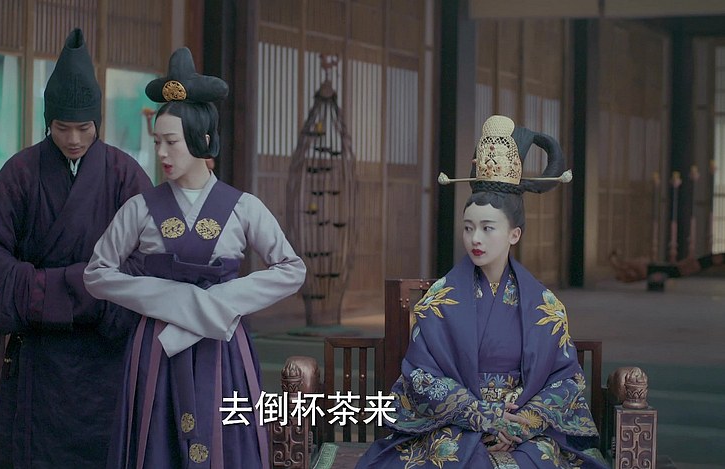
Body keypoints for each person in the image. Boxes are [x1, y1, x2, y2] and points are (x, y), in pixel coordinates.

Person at [83, 47, 306, 469]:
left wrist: (220, 301)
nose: (162, 153)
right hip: (156, 347)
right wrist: (169, 298)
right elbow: (97, 274)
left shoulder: (243, 207)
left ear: (202, 140)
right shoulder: (139, 208)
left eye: (172, 142)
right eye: (157, 142)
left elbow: (292, 269)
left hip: (222, 348)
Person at [355, 115, 607, 468]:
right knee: (457, 457)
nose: (475, 238)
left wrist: (523, 421)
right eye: (468, 227)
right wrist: (483, 416)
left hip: (523, 430)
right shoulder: (439, 299)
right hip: (456, 425)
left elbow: (567, 379)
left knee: (537, 460)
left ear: (514, 234)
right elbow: (421, 375)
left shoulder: (545, 305)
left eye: (488, 228)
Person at [0, 28, 152, 468]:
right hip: (39, 360)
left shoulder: (124, 175)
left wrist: (87, 293)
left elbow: (149, 258)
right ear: (48, 122)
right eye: (62, 128)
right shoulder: (22, 171)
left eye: (84, 128)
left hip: (104, 361)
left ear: (97, 122)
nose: (73, 139)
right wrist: (61, 290)